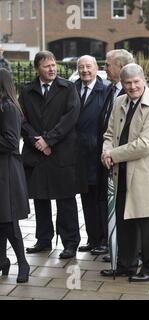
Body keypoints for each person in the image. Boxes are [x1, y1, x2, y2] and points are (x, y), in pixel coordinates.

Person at [101, 63, 149, 282]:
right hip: (121, 172)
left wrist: (113, 154)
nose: (132, 87)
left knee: (148, 224)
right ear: (122, 83)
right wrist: (105, 150)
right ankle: (126, 265)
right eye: (127, 83)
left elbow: (145, 144)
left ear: (144, 80)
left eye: (136, 82)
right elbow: (109, 133)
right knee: (124, 222)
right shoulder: (119, 101)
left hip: (145, 174)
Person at [20, 51, 82, 259]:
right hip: (37, 154)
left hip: (61, 153)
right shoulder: (27, 91)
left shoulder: (68, 88)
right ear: (37, 68)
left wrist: (49, 140)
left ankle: (70, 242)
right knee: (40, 199)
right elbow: (22, 120)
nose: (52, 69)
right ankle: (44, 239)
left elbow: (71, 117)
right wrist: (37, 141)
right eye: (47, 66)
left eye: (54, 65)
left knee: (66, 200)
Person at [97, 49, 133, 259]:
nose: (104, 68)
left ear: (120, 68)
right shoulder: (110, 90)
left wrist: (113, 153)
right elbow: (107, 128)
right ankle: (114, 246)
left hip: (123, 161)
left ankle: (123, 251)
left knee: (122, 207)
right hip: (108, 157)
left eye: (108, 65)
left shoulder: (127, 93)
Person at [75, 55, 109, 254]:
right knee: (86, 198)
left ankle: (104, 239)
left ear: (96, 69)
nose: (85, 70)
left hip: (97, 153)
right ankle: (92, 238)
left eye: (88, 66)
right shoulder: (72, 89)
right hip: (78, 154)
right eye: (81, 67)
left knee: (100, 198)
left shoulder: (104, 90)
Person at [0, 68, 30, 283]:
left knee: (9, 221)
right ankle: (3, 260)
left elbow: (11, 142)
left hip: (7, 171)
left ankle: (23, 263)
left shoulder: (9, 107)